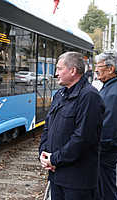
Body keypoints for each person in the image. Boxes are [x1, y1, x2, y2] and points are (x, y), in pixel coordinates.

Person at [39, 52, 105, 200]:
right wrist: (43, 154)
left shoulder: (89, 97)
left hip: (77, 181)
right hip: (57, 175)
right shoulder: (60, 94)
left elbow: (83, 138)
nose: (56, 74)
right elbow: (48, 126)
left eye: (59, 69)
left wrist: (55, 159)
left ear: (73, 71)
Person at [95, 50, 117, 200]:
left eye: (99, 66)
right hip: (106, 151)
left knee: (106, 191)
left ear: (110, 69)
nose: (96, 69)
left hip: (105, 153)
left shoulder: (113, 93)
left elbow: (107, 130)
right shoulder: (111, 87)